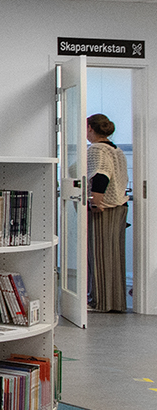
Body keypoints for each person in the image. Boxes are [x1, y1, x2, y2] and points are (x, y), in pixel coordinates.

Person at [87, 113, 129, 313]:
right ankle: (114, 302)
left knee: (99, 256)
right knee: (114, 257)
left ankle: (100, 302)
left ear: (90, 128)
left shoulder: (96, 149)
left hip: (104, 208)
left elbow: (101, 176)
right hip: (119, 207)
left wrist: (95, 202)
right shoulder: (116, 150)